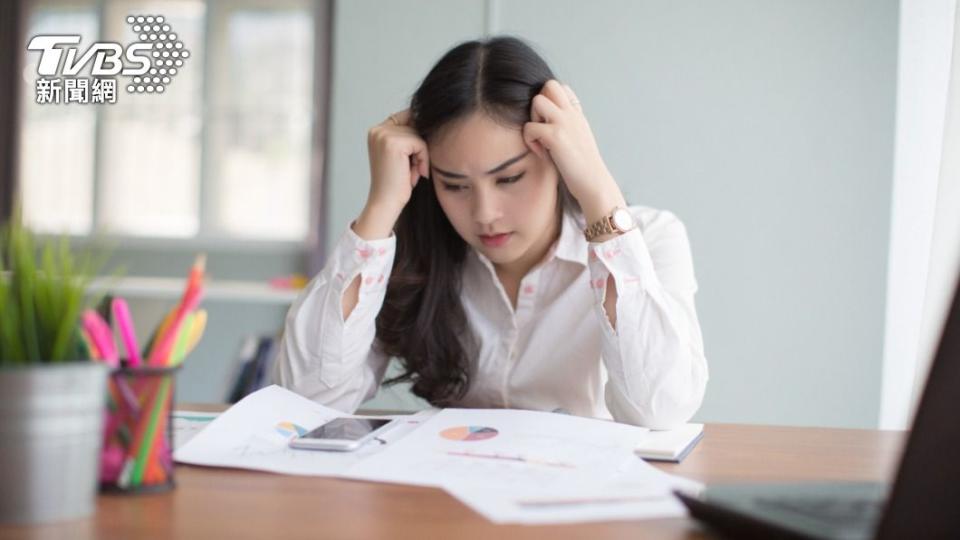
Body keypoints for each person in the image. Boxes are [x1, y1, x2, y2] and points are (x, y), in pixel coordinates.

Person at [273, 36, 707, 429]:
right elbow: (307, 399)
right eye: (455, 185)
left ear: (558, 156)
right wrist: (379, 209)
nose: (484, 214)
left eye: (509, 178)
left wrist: (597, 188)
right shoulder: (409, 249)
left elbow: (660, 410)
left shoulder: (651, 238)